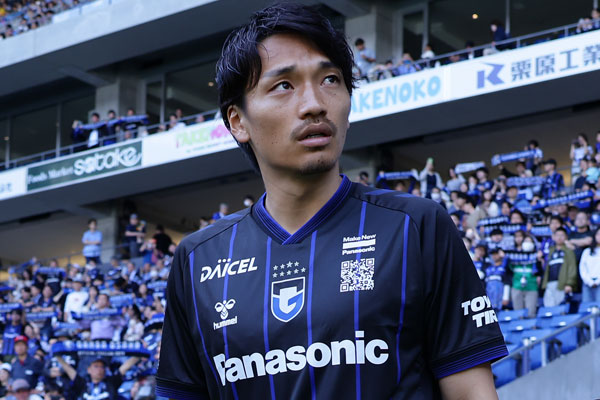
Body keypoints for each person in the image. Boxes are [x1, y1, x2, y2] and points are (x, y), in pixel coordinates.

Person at [156, 4, 506, 399]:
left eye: (330, 80)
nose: (314, 104)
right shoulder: (197, 259)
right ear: (238, 121)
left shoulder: (417, 226)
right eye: (283, 85)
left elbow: (471, 392)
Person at [56, 355, 139, 400]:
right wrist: (57, 356)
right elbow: (68, 369)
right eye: (96, 366)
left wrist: (140, 353)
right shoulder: (83, 383)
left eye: (102, 367)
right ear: (88, 369)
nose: (100, 369)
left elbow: (125, 367)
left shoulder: (111, 382)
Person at [542, 227, 578, 307]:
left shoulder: (569, 251)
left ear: (566, 237)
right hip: (549, 283)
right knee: (548, 308)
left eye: (562, 235)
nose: (559, 237)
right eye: (557, 235)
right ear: (553, 237)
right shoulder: (550, 251)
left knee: (560, 308)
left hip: (562, 284)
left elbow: (572, 269)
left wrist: (569, 284)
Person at [579, 228, 600, 302]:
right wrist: (589, 281)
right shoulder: (587, 251)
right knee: (587, 306)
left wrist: (597, 281)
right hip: (587, 283)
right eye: (598, 234)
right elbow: (582, 268)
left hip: (599, 282)